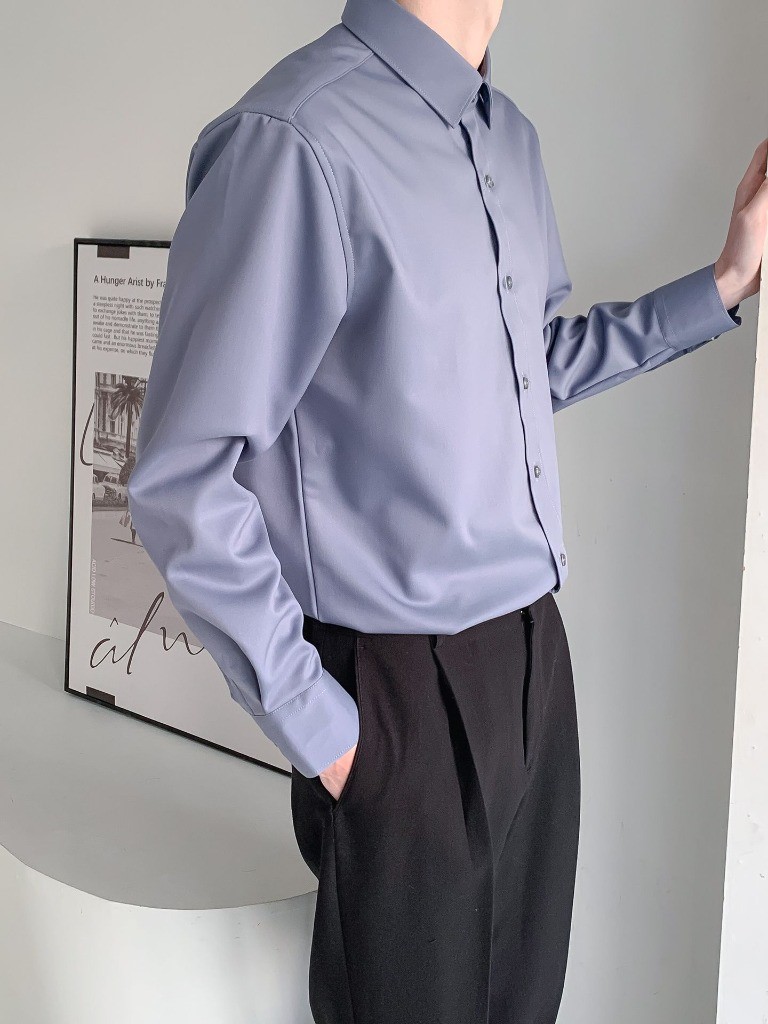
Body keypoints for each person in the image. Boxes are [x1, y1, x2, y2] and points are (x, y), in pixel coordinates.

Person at [126, 0, 766, 1019]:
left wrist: (725, 282)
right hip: (398, 700)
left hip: (533, 664)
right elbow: (183, 474)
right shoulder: (294, 140)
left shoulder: (509, 140)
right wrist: (329, 731)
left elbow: (527, 373)